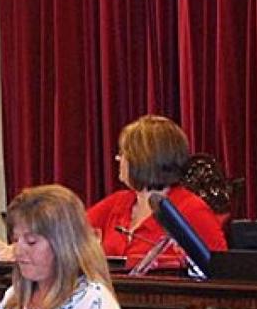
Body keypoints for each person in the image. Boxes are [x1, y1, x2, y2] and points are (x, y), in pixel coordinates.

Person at [87, 114, 227, 267]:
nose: (118, 159)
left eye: (123, 154)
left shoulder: (192, 211)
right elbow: (69, 233)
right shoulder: (117, 202)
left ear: (142, 160)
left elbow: (220, 272)